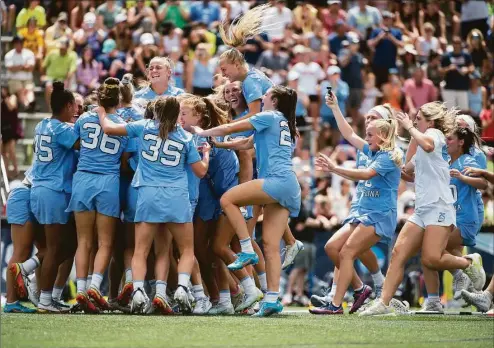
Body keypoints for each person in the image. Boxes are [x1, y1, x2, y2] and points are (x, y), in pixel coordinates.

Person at [360, 102, 486, 316]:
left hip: (439, 206)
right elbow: (408, 171)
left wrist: (410, 128)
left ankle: (469, 262)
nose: (415, 120)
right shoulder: (422, 142)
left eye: (418, 117)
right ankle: (383, 303)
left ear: (430, 120)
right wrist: (393, 159)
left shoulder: (434, 134)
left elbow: (427, 144)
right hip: (422, 209)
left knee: (431, 259)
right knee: (398, 252)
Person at [192, 85, 301, 317]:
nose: (262, 98)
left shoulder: (268, 116)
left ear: (275, 101)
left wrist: (203, 133)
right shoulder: (283, 122)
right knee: (271, 246)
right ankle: (272, 298)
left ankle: (245, 248)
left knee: (228, 199)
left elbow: (232, 126)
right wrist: (219, 144)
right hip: (289, 185)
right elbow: (244, 144)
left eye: (267, 95)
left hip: (274, 181)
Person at [97, 96, 208, 314]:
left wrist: (101, 112)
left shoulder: (143, 127)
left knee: (141, 250)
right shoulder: (186, 137)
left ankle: (138, 291)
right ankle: (181, 289)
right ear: (177, 114)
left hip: (148, 194)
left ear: (155, 112)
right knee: (184, 250)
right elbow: (201, 172)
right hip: (176, 196)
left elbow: (109, 129)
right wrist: (206, 154)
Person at [314, 92, 402, 315]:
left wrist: (334, 168)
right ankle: (360, 288)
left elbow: (365, 174)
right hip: (361, 212)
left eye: (371, 129)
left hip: (379, 215)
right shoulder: (372, 148)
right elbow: (349, 133)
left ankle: (335, 304)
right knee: (332, 247)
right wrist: (335, 108)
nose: (367, 129)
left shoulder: (388, 155)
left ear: (383, 133)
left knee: (346, 253)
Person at [67, 78, 130, 313]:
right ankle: (95, 286)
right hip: (108, 181)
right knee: (105, 242)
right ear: (120, 100)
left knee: (83, 241)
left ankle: (81, 291)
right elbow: (125, 162)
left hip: (83, 179)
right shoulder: (123, 125)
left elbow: (75, 144)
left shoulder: (83, 119)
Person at [420, 126, 487, 312]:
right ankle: (464, 274)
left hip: (465, 220)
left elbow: (483, 183)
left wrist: (463, 178)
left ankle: (465, 270)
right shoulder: (446, 161)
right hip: (449, 220)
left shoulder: (467, 160)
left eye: (450, 139)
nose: (446, 142)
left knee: (430, 248)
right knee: (433, 251)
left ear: (461, 142)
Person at [30, 81, 79, 313]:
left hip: (40, 188)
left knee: (68, 245)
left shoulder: (42, 125)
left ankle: (33, 275)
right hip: (54, 191)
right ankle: (44, 298)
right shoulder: (63, 129)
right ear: (68, 106)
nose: (77, 110)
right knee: (54, 248)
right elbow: (85, 145)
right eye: (75, 106)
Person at [439, 36, 475, 111]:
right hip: (449, 88)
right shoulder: (446, 56)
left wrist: (467, 69)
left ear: (461, 44)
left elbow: (472, 68)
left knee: (463, 112)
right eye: (455, 43)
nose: (456, 45)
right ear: (452, 44)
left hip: (463, 88)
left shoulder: (466, 55)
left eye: (458, 43)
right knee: (449, 112)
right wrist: (449, 68)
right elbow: (440, 71)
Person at [42, 39, 78, 112]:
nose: (61, 50)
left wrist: (67, 79)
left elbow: (72, 69)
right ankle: (51, 109)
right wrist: (43, 75)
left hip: (64, 79)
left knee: (66, 89)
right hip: (50, 78)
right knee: (48, 86)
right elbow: (43, 66)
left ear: (67, 48)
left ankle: (63, 110)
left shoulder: (73, 55)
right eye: (60, 48)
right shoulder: (52, 53)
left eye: (63, 48)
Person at [4, 35, 36, 112]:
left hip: (27, 79)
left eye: (21, 43)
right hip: (14, 79)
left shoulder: (29, 53)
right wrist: (23, 66)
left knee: (29, 90)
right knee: (20, 90)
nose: (19, 45)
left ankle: (31, 104)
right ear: (14, 44)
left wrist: (17, 67)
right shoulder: (9, 55)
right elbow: (11, 69)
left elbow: (30, 68)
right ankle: (27, 105)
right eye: (17, 43)